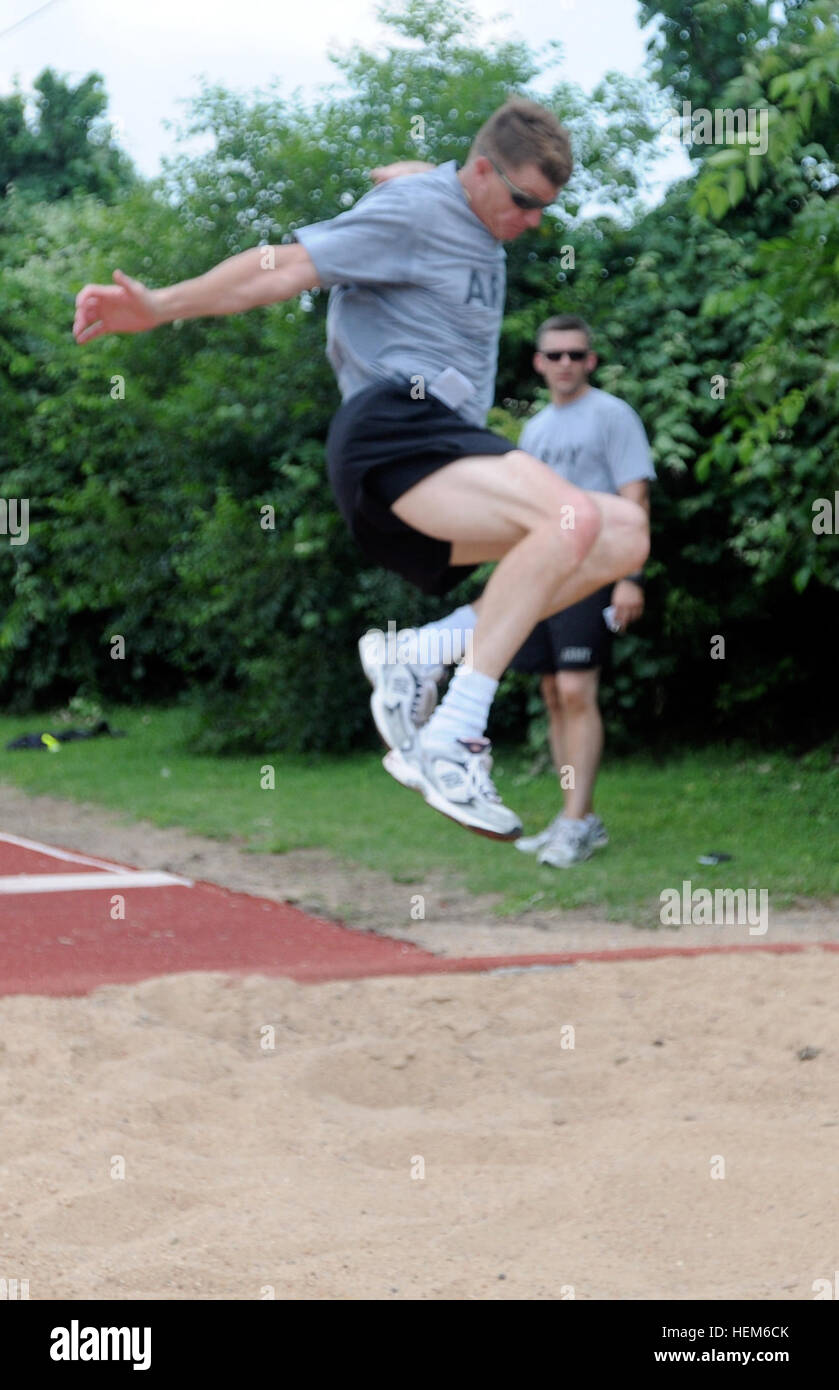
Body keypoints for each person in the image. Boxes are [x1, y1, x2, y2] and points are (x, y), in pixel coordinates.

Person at [72, 99, 648, 841]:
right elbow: (280, 269)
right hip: (394, 431)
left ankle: (422, 653)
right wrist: (160, 305)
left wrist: (426, 179)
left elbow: (447, 193)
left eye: (545, 209)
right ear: (481, 172)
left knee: (619, 534)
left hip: (438, 450)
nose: (533, 220)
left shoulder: (467, 204)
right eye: (524, 201)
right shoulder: (418, 210)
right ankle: (453, 735)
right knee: (571, 516)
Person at [508, 315, 655, 866]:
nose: (565, 363)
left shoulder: (613, 416)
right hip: (543, 575)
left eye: (575, 354)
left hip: (595, 570)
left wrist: (629, 577)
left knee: (576, 691)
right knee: (552, 693)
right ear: (539, 363)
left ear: (590, 360)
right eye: (555, 355)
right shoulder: (536, 430)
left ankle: (576, 822)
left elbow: (635, 497)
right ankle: (577, 815)